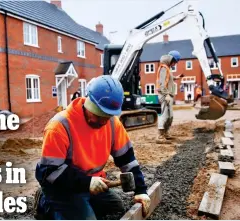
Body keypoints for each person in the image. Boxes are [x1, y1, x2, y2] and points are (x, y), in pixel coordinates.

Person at [34, 75, 150, 220]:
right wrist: (87, 183)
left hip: (89, 182)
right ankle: (45, 203)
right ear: (88, 103)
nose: (102, 121)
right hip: (61, 186)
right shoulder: (60, 126)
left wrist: (141, 190)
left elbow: (127, 160)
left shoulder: (112, 123)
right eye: (98, 115)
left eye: (107, 116)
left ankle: (82, 204)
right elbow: (49, 172)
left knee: (116, 209)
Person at [156, 50, 184, 143]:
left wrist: (177, 77)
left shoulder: (168, 68)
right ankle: (160, 136)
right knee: (165, 114)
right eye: (175, 61)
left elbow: (169, 79)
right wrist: (166, 94)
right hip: (165, 95)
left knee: (170, 116)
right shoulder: (163, 68)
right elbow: (162, 83)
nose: (175, 64)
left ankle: (166, 133)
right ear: (171, 59)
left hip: (169, 94)